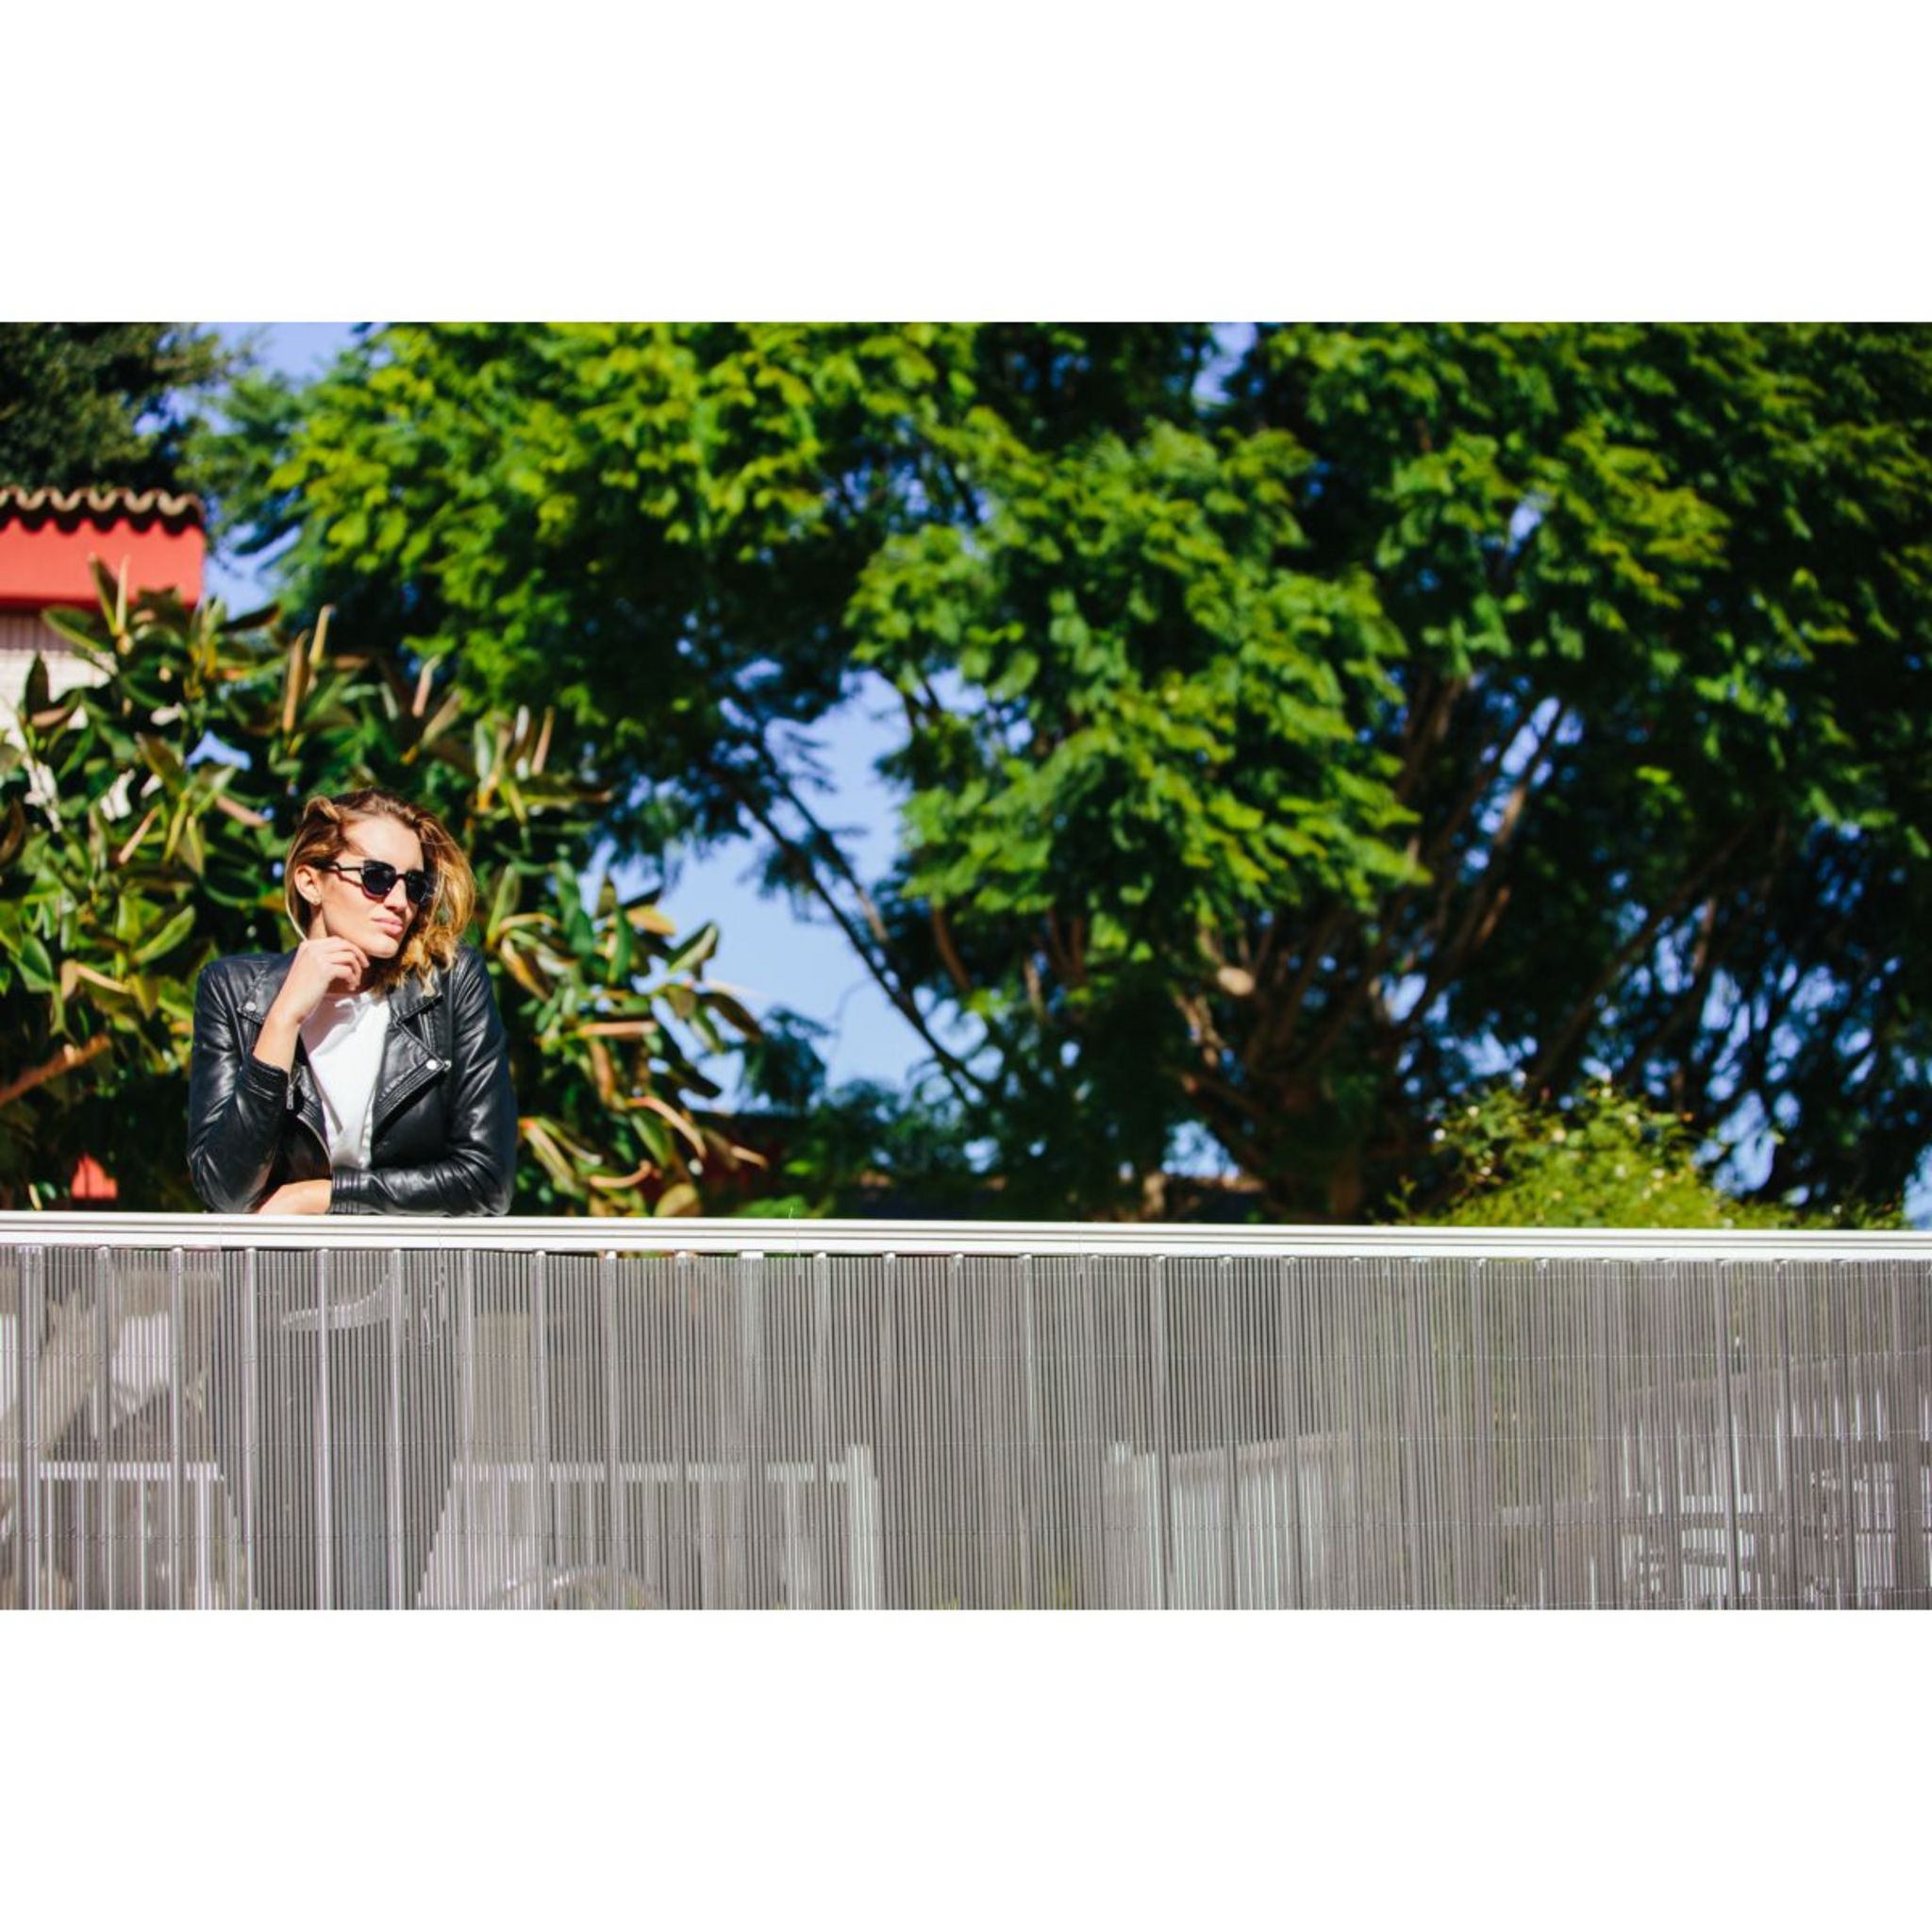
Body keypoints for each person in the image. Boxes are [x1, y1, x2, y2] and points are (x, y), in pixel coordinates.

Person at [187, 788, 518, 1607]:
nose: (399, 901)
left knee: (380, 1596)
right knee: (289, 1598)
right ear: (310, 879)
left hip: (403, 1347)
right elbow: (225, 1187)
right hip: (264, 1350)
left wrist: (322, 1198)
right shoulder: (235, 991)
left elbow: (486, 1181)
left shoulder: (448, 989)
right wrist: (283, 1020)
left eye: (415, 884)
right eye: (376, 878)